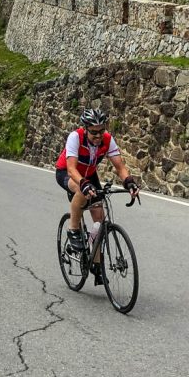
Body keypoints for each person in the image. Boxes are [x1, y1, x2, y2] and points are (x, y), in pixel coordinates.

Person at [56, 108, 139, 284]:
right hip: (68, 172)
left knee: (99, 223)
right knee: (81, 191)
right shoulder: (75, 137)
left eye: (101, 130)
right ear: (85, 129)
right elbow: (71, 168)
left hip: (89, 174)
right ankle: (73, 230)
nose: (98, 135)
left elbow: (119, 166)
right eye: (93, 132)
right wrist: (83, 184)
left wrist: (129, 182)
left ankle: (96, 264)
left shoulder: (107, 140)